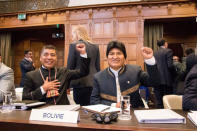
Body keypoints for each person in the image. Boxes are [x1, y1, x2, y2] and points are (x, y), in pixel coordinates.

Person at [90, 41, 160, 108]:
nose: (115, 57)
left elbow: (154, 82)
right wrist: (114, 105)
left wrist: (149, 60)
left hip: (133, 114)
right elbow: (94, 101)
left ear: (124, 57)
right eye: (111, 54)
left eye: (119, 53)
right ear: (107, 57)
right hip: (109, 115)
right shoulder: (98, 77)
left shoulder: (136, 71)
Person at [22, 44, 90, 105]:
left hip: (63, 112)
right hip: (41, 113)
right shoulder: (31, 75)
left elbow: (83, 72)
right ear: (40, 58)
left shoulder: (63, 72)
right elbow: (25, 98)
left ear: (56, 58)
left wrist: (83, 54)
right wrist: (42, 89)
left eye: (52, 55)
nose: (49, 57)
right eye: (46, 54)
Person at [67, 26, 100, 106]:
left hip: (79, 82)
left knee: (81, 109)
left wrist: (67, 85)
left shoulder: (74, 45)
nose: (73, 37)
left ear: (76, 34)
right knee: (91, 107)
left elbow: (70, 67)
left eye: (73, 35)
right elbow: (97, 66)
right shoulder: (95, 46)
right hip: (93, 81)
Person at [154, 39, 175, 108]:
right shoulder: (168, 51)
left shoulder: (155, 53)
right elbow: (170, 66)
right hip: (166, 80)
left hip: (157, 80)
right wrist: (175, 74)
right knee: (168, 101)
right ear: (165, 44)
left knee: (159, 101)